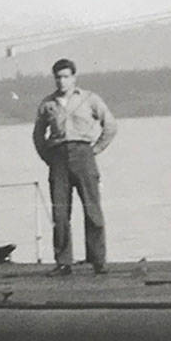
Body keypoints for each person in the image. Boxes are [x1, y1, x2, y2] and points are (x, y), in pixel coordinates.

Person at [32, 58, 118, 276]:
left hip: (84, 154)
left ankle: (98, 260)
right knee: (60, 212)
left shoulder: (89, 99)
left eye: (66, 77)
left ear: (74, 78)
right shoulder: (47, 104)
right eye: (58, 77)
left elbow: (110, 125)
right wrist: (48, 158)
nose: (62, 81)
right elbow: (38, 135)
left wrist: (96, 149)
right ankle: (63, 262)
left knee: (92, 209)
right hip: (58, 158)